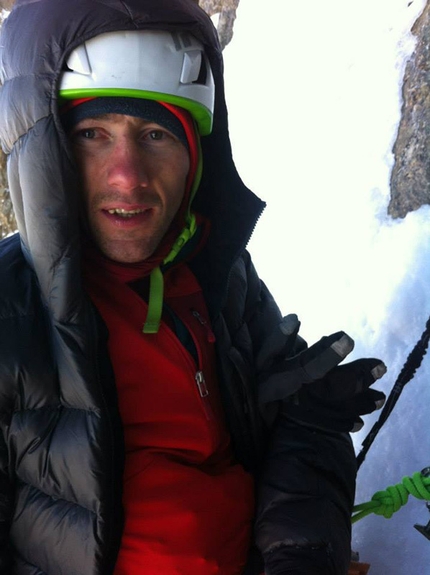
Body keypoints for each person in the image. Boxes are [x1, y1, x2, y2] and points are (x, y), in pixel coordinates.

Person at [0, 1, 387, 574]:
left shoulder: (219, 278)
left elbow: (279, 459)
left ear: (195, 158)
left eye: (156, 134)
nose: (127, 173)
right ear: (46, 155)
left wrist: (305, 438)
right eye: (91, 135)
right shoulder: (12, 315)